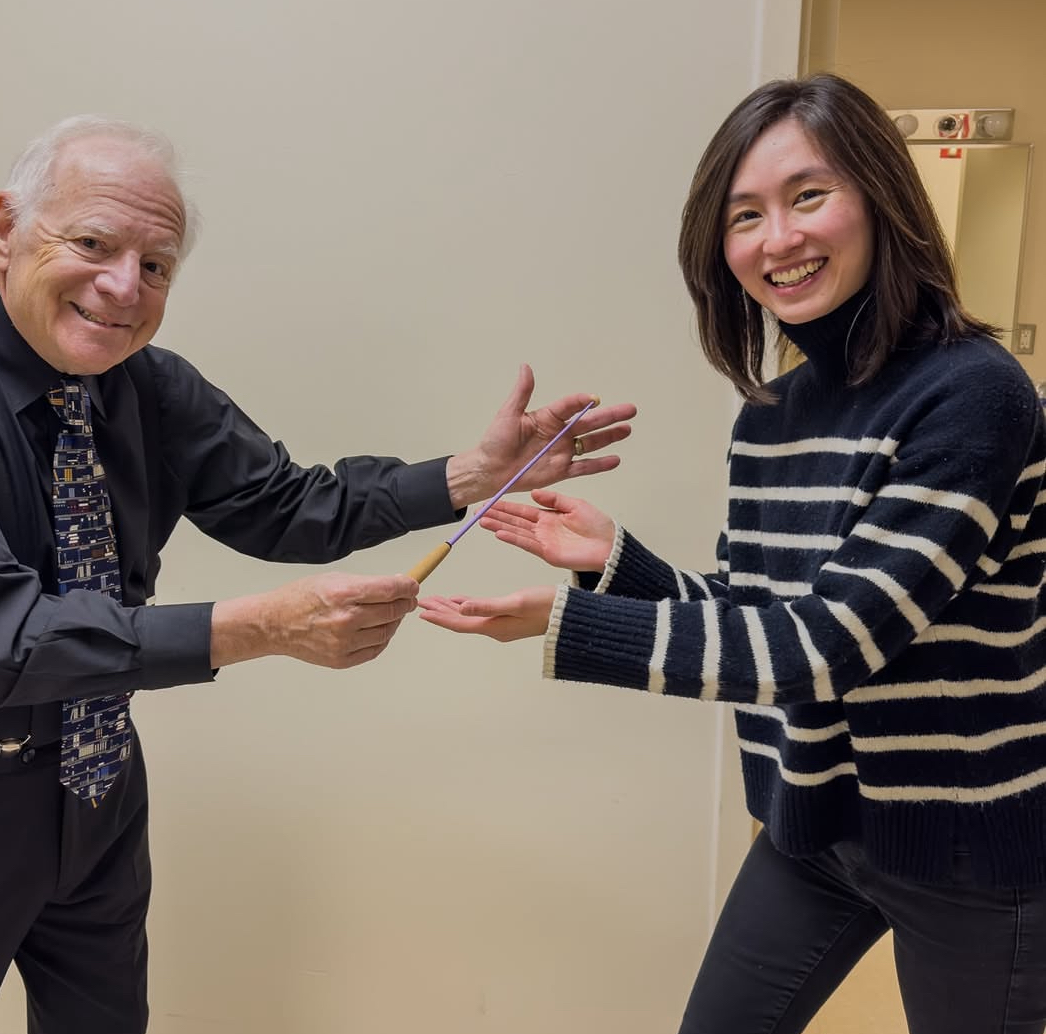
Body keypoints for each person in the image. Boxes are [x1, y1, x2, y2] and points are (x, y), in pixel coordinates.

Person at [0, 114, 636, 1034]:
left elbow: (287, 504)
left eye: (155, 266)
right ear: (5, 227)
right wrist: (262, 628)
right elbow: (7, 637)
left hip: (99, 782)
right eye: (93, 243)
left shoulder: (145, 382)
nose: (124, 287)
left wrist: (468, 474)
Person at [419, 73, 1046, 1034]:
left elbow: (823, 648)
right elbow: (757, 610)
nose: (777, 240)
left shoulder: (973, 394)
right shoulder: (771, 417)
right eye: (744, 215)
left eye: (807, 196)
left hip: (964, 844)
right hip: (813, 823)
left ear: (880, 198)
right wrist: (613, 563)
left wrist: (572, 625)